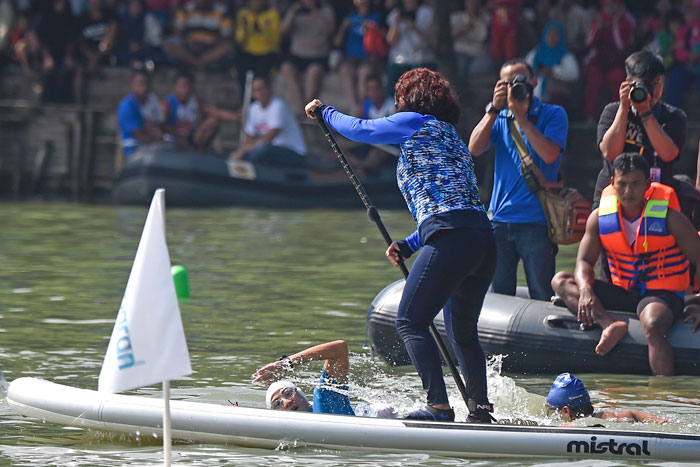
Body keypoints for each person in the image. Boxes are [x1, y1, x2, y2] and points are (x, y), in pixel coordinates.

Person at [305, 68, 497, 423]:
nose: (397, 105)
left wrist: (325, 113)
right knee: (463, 334)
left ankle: (438, 406)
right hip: (483, 241)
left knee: (409, 320)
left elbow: (361, 130)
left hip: (454, 239)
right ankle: (481, 412)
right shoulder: (452, 138)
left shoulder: (414, 123)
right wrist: (409, 244)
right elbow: (452, 204)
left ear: (411, 99)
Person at [550, 153, 700, 376]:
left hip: (661, 294)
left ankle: (663, 395)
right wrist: (585, 290)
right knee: (560, 280)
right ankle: (609, 324)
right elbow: (583, 261)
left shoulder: (671, 218)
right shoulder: (599, 217)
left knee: (652, 323)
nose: (628, 191)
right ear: (612, 183)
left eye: (636, 184)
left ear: (648, 184)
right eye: (622, 184)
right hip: (623, 291)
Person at [468, 58, 568, 301]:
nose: (513, 87)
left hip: (537, 222)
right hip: (500, 220)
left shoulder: (553, 114)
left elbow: (549, 153)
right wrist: (494, 108)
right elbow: (474, 148)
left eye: (519, 81)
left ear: (534, 82)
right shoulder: (498, 116)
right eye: (506, 82)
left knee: (542, 293)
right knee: (498, 295)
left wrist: (521, 117)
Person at [595, 50, 687, 209]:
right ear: (628, 82)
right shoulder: (612, 112)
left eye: (656, 84)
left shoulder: (673, 116)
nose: (651, 91)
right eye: (645, 85)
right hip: (614, 198)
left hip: (657, 199)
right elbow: (610, 152)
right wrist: (624, 108)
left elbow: (668, 154)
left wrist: (645, 112)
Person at [229, 75, 306, 167]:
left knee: (263, 148)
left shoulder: (278, 106)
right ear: (253, 93)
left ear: (269, 89)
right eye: (256, 90)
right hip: (268, 151)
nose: (260, 93)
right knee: (253, 150)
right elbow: (250, 137)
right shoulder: (253, 109)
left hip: (292, 151)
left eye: (262, 89)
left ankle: (246, 164)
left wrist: (245, 151)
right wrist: (240, 152)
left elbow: (272, 135)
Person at [279, 0, 335, 116]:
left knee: (313, 72)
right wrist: (292, 12)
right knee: (286, 68)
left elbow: (330, 31)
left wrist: (315, 11)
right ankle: (302, 109)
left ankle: (310, 107)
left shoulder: (325, 9)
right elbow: (282, 31)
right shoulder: (295, 10)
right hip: (297, 54)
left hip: (318, 55)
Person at [582, 0, 635, 122]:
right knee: (594, 79)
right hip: (600, 62)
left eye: (613, 5)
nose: (610, 9)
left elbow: (621, 45)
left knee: (617, 79)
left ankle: (616, 117)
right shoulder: (599, 20)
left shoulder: (626, 22)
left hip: (617, 62)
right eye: (607, 6)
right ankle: (589, 116)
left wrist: (615, 26)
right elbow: (588, 43)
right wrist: (598, 27)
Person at [162, 71, 239, 152]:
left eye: (188, 85)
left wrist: (238, 117)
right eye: (183, 85)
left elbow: (216, 112)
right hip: (173, 138)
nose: (186, 89)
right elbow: (163, 126)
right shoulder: (167, 104)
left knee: (213, 121)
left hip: (190, 137)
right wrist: (178, 137)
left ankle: (200, 150)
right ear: (175, 87)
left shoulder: (194, 101)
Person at [545, 373, 668, 424]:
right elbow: (657, 420)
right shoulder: (612, 415)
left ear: (566, 411)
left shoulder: (581, 427)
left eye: (553, 410)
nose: (553, 415)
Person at [333, 0, 383, 114]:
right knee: (345, 70)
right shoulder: (350, 18)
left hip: (369, 56)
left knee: (363, 72)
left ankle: (362, 106)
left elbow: (383, 37)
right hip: (352, 57)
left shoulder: (375, 16)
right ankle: (354, 106)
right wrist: (344, 26)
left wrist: (372, 28)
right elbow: (337, 42)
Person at [384, 0, 435, 98]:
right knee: (395, 73)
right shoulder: (396, 14)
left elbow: (430, 41)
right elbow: (390, 40)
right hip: (400, 60)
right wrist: (397, 23)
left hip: (422, 58)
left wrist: (414, 27)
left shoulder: (427, 13)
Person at [163, 0, 233, 70]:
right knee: (169, 43)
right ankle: (197, 63)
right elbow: (177, 31)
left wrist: (209, 43)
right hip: (188, 47)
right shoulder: (185, 9)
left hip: (211, 48)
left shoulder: (222, 11)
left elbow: (226, 36)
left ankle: (198, 63)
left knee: (227, 47)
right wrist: (187, 42)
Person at [525, 21, 579, 109]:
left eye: (555, 35)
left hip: (556, 92)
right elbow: (525, 68)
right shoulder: (535, 53)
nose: (552, 38)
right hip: (535, 93)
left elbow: (574, 74)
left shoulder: (565, 55)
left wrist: (553, 71)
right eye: (549, 34)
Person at [117, 69, 166, 157]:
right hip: (134, 149)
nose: (144, 88)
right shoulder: (127, 106)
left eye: (146, 84)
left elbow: (161, 123)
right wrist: (159, 140)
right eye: (140, 84)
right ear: (133, 85)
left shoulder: (152, 98)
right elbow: (139, 135)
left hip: (153, 145)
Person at [234, 0, 280, 92]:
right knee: (242, 75)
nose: (257, 3)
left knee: (260, 79)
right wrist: (245, 29)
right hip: (248, 52)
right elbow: (239, 39)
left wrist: (262, 30)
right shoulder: (243, 14)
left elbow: (276, 40)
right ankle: (245, 102)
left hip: (267, 52)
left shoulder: (272, 15)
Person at [450, 0, 493, 80]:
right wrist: (464, 27)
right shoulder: (457, 17)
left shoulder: (486, 18)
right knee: (460, 69)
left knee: (476, 70)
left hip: (479, 53)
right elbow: (450, 34)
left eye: (475, 2)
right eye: (470, 3)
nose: (473, 5)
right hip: (461, 52)